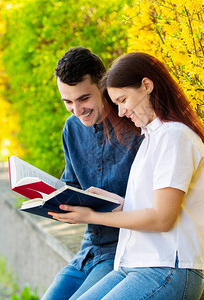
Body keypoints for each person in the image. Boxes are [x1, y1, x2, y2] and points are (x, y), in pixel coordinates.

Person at [49, 52, 204, 299]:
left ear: (147, 86)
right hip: (134, 263)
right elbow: (148, 206)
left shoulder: (174, 137)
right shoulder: (151, 137)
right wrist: (112, 203)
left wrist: (94, 215)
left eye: (123, 100)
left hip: (165, 266)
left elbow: (162, 219)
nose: (121, 111)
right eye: (117, 102)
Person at [41, 47, 143, 300]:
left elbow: (153, 206)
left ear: (103, 85)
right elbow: (71, 185)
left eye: (84, 98)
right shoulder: (72, 128)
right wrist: (51, 201)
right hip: (88, 251)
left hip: (124, 251)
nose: (77, 110)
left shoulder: (136, 128)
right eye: (68, 102)